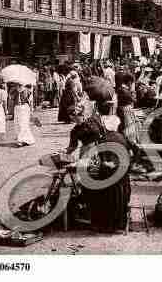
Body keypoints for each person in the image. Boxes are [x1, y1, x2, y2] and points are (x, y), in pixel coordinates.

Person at [66, 100, 131, 234]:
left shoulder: (93, 122)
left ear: (81, 114)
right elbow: (72, 146)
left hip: (101, 151)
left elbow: (104, 135)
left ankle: (98, 215)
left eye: (77, 116)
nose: (76, 119)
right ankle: (91, 212)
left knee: (97, 180)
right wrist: (65, 154)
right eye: (73, 118)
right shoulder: (75, 131)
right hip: (89, 152)